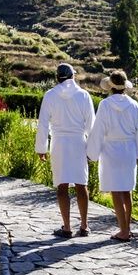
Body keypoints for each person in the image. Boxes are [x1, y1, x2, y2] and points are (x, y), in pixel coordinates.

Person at [35, 63, 96, 238]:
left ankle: (67, 227)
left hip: (59, 143)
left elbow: (43, 124)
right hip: (78, 142)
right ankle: (84, 225)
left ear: (57, 78)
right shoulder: (84, 95)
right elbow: (91, 125)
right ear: (72, 76)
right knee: (81, 184)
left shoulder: (50, 95)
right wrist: (92, 150)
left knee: (62, 185)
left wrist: (41, 148)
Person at [87, 70, 138, 242]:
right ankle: (127, 228)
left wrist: (92, 154)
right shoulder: (134, 105)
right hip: (129, 150)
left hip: (111, 149)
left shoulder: (105, 105)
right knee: (127, 191)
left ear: (110, 87)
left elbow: (98, 131)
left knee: (116, 191)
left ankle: (123, 231)